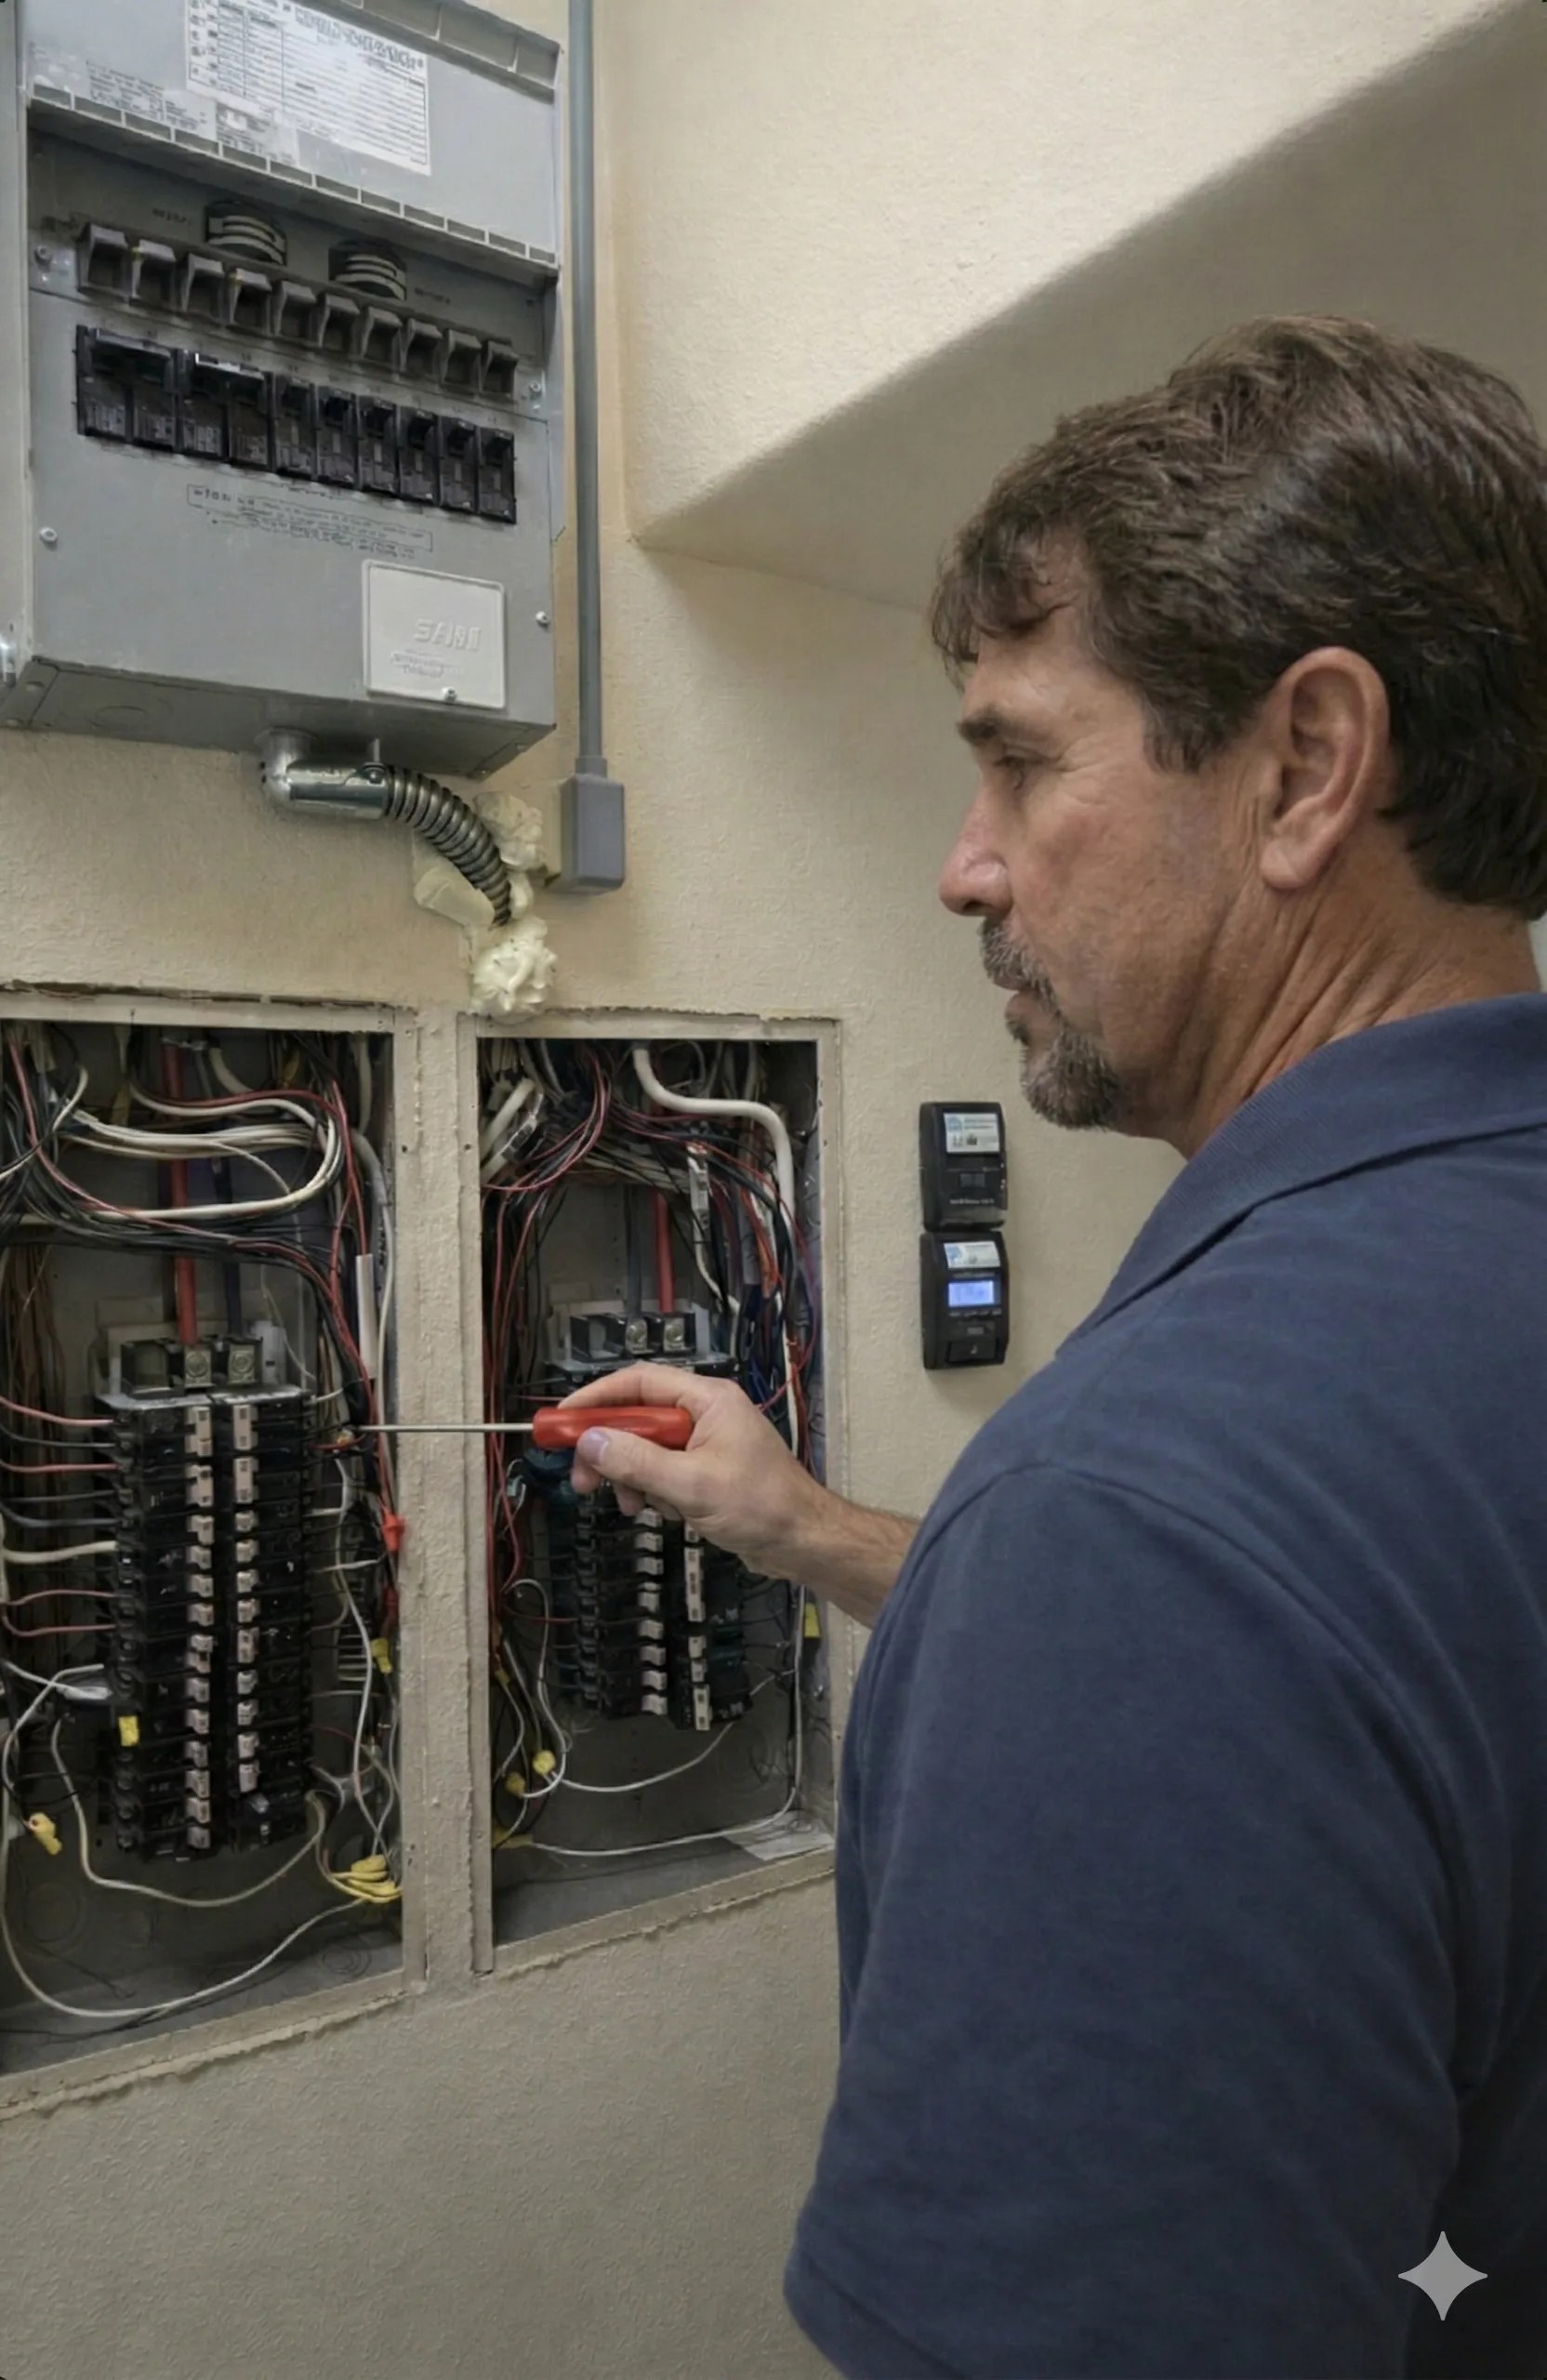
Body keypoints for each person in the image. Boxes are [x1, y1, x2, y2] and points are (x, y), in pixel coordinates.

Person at [564, 317, 1547, 2379]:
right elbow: (1395, 1694)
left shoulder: (1138, 1511)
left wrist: (1043, 1558)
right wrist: (829, 1532)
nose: (965, 862)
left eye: (1018, 754)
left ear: (1303, 766)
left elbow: (1206, 1610)